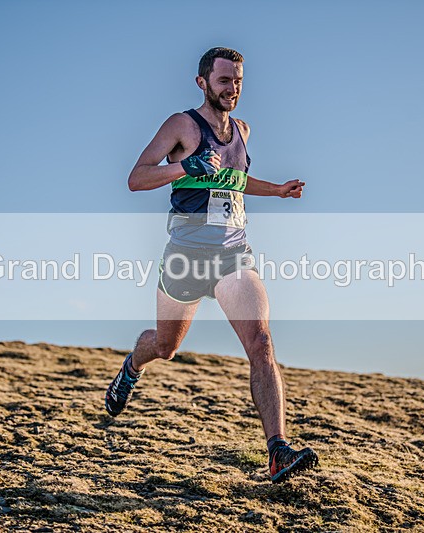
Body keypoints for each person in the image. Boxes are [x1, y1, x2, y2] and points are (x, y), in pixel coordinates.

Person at [104, 47, 318, 483]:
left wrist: (276, 190)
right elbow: (136, 178)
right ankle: (132, 367)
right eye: (223, 80)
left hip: (232, 255)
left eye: (237, 80)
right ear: (202, 82)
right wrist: (185, 166)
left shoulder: (243, 130)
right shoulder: (182, 125)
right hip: (186, 255)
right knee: (165, 347)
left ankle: (277, 451)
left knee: (261, 341)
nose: (232, 88)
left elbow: (235, 181)